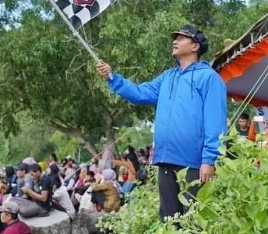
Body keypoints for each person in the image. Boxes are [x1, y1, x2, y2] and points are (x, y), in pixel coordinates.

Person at [96, 24, 227, 220]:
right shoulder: (167, 77)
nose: (175, 41)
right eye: (175, 38)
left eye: (181, 38)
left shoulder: (209, 78)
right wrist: (112, 77)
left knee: (193, 220)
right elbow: (140, 94)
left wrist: (209, 160)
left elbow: (215, 122)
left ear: (195, 46)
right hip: (166, 159)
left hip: (193, 163)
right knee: (168, 219)